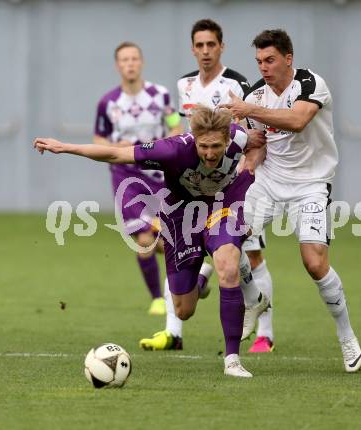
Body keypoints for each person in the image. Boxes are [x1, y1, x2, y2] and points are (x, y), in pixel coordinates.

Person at [34, 106, 268, 377]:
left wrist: (250, 165)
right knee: (183, 311)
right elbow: (115, 153)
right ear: (194, 138)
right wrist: (64, 147)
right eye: (203, 146)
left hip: (222, 207)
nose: (210, 153)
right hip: (181, 216)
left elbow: (260, 142)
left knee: (227, 263)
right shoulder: (172, 149)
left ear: (227, 139)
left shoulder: (237, 136)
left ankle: (232, 361)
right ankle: (202, 278)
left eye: (216, 146)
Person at [221, 29, 361, 373]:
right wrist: (244, 149)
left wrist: (248, 109)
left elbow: (298, 121)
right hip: (270, 181)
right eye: (259, 62)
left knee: (314, 262)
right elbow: (258, 145)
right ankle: (254, 299)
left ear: (288, 58)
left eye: (270, 60)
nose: (264, 68)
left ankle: (347, 337)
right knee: (229, 238)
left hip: (311, 184)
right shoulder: (256, 95)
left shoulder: (311, 84)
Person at [140, 18, 275, 353]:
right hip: (195, 187)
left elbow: (250, 134)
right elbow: (186, 133)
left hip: (233, 183)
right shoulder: (185, 84)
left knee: (251, 253)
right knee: (178, 245)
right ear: (192, 48)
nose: (204, 51)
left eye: (210, 45)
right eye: (199, 45)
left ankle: (264, 335)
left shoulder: (237, 84)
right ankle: (174, 331)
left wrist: (245, 167)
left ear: (221, 47)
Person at [94, 41, 183, 316]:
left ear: (141, 62)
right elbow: (99, 139)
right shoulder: (108, 103)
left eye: (134, 58)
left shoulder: (161, 96)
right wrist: (120, 151)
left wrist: (160, 146)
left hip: (158, 175)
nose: (130, 64)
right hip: (126, 178)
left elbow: (176, 127)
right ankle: (157, 298)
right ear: (117, 65)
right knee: (143, 240)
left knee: (168, 240)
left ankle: (189, 278)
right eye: (124, 60)